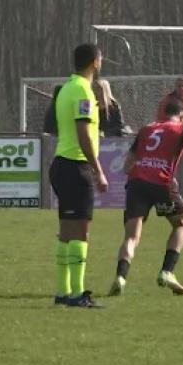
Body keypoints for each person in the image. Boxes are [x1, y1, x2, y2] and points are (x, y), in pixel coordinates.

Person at [108, 101, 183, 297]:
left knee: (131, 237)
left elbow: (127, 165)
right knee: (180, 225)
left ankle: (120, 277)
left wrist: (142, 170)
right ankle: (167, 272)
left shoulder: (146, 129)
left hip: (137, 184)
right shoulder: (182, 127)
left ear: (163, 114)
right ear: (182, 116)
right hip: (162, 183)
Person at [49, 43, 107, 308]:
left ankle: (63, 292)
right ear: (95, 61)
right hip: (75, 166)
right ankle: (77, 294)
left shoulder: (66, 88)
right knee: (80, 232)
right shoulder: (83, 90)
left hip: (61, 164)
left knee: (66, 231)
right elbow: (83, 133)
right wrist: (98, 170)